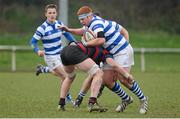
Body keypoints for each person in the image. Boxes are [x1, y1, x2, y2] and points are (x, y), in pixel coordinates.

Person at [58, 6, 148, 114]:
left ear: (90, 16)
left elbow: (101, 40)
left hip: (121, 51)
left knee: (123, 79)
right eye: (80, 20)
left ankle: (143, 99)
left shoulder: (96, 24)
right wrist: (68, 30)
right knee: (107, 81)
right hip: (111, 53)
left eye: (83, 19)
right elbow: (82, 31)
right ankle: (125, 99)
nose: (81, 22)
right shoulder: (90, 24)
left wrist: (86, 43)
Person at [30, 4, 76, 105]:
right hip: (50, 57)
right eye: (50, 13)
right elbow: (32, 42)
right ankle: (68, 99)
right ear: (46, 14)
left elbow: (67, 34)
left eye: (54, 13)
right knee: (66, 76)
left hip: (61, 54)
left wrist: (74, 42)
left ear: (56, 14)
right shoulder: (42, 28)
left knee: (59, 74)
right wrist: (38, 51)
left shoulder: (59, 24)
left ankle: (43, 69)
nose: (52, 15)